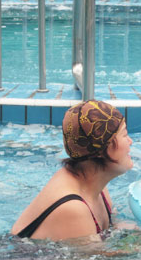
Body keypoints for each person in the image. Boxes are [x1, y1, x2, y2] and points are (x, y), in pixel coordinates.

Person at [11, 100, 133, 241]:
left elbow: (112, 230)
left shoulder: (97, 186)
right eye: (124, 135)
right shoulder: (74, 208)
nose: (130, 141)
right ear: (102, 148)